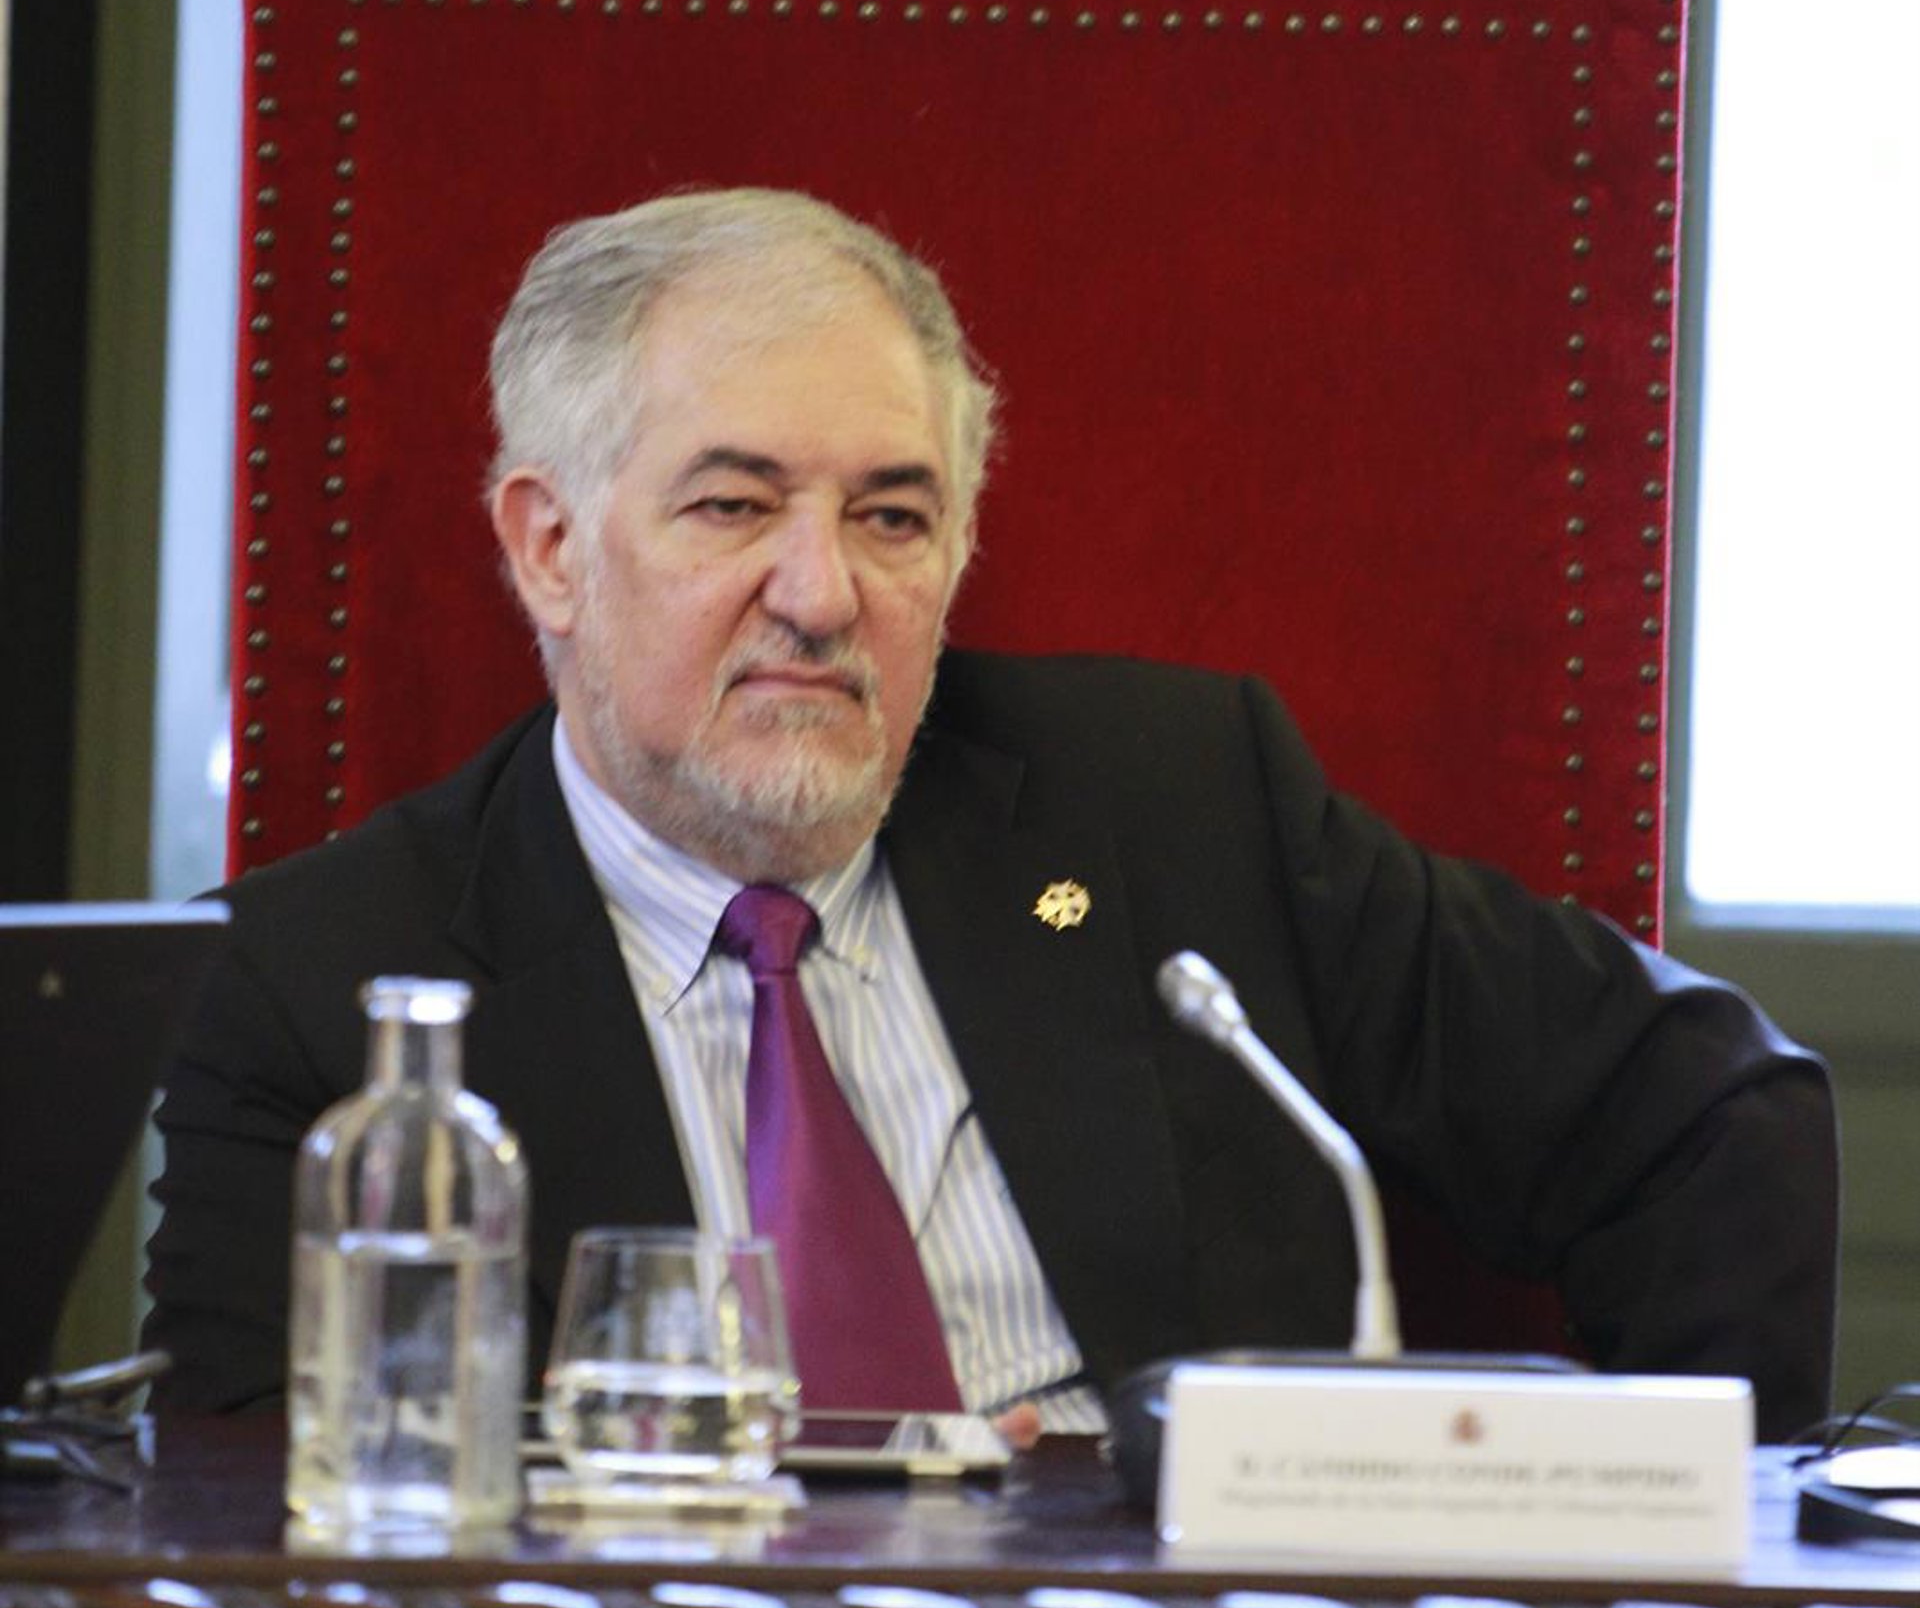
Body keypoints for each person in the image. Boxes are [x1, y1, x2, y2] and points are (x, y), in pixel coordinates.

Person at [145, 188, 1838, 1440]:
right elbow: (260, 1515)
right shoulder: (312, 993)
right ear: (550, 549)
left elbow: (1704, 1102)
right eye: (733, 506)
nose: (819, 595)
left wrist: (1665, 1585)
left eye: (893, 518)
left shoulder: (1176, 808)